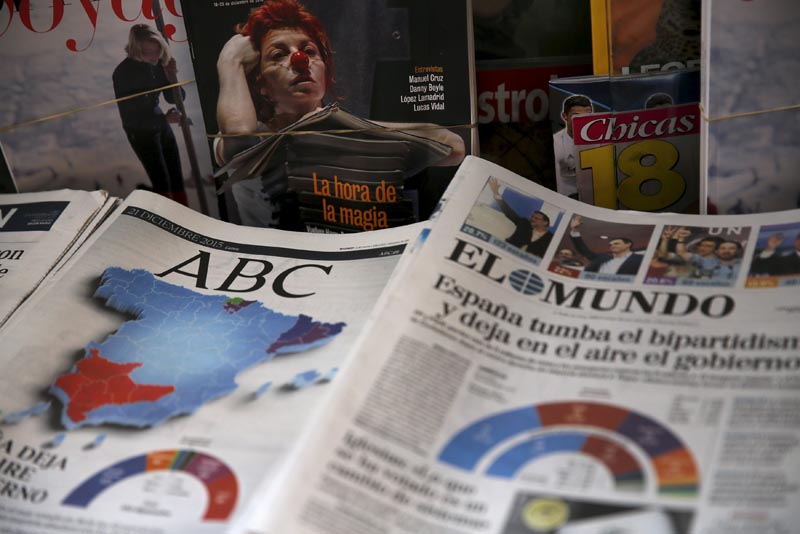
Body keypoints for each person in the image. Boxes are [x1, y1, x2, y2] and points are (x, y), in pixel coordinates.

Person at [215, 0, 465, 227]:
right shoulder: (255, 135)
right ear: (262, 85)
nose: (299, 60)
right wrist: (230, 60)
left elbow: (453, 147)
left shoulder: (352, 133)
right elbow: (239, 139)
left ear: (325, 70)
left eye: (310, 51)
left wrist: (348, 130)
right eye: (279, 55)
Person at [113, 24, 188, 206]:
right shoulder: (123, 73)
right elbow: (131, 118)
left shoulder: (159, 63)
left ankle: (186, 216)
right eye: (148, 52)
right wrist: (164, 119)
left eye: (157, 51)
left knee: (177, 179)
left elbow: (174, 99)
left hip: (159, 122)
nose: (154, 57)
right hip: (139, 131)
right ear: (135, 50)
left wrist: (171, 77)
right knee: (163, 183)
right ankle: (162, 215)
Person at [487, 177, 552, 257]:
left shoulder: (550, 238)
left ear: (545, 222)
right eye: (532, 217)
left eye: (536, 218)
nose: (532, 219)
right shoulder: (524, 223)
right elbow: (508, 212)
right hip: (504, 253)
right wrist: (496, 192)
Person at [569, 215, 643, 275]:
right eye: (610, 245)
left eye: (616, 243)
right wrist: (575, 231)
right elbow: (584, 250)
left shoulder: (640, 258)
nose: (612, 246)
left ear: (628, 244)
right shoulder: (602, 257)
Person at [552, 95, 593, 199]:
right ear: (564, 116)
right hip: (566, 200)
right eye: (576, 116)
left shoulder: (601, 140)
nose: (582, 120)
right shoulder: (556, 143)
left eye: (586, 115)